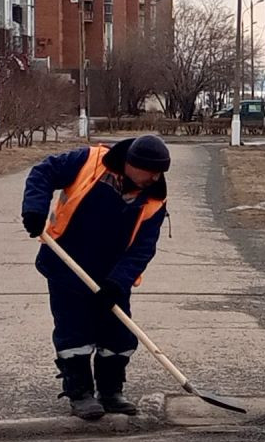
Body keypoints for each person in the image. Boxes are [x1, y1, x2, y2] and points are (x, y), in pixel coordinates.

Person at [21, 134, 173, 420]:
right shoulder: (89, 161)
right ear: (130, 163)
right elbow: (44, 172)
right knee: (74, 330)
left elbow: (142, 248)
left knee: (118, 334)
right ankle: (79, 392)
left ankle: (111, 391)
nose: (155, 178)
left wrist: (118, 282)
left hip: (111, 277)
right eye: (150, 171)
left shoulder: (153, 199)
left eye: (160, 172)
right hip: (66, 264)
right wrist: (34, 209)